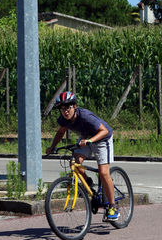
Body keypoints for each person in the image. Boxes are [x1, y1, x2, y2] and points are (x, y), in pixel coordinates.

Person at [45, 91, 119, 221]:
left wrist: (90, 141)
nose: (65, 111)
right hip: (86, 138)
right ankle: (88, 183)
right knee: (75, 161)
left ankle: (113, 207)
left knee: (103, 172)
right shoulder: (63, 119)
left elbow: (104, 131)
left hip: (102, 138)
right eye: (62, 108)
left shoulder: (85, 116)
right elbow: (60, 132)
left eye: (68, 107)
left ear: (74, 106)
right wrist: (52, 147)